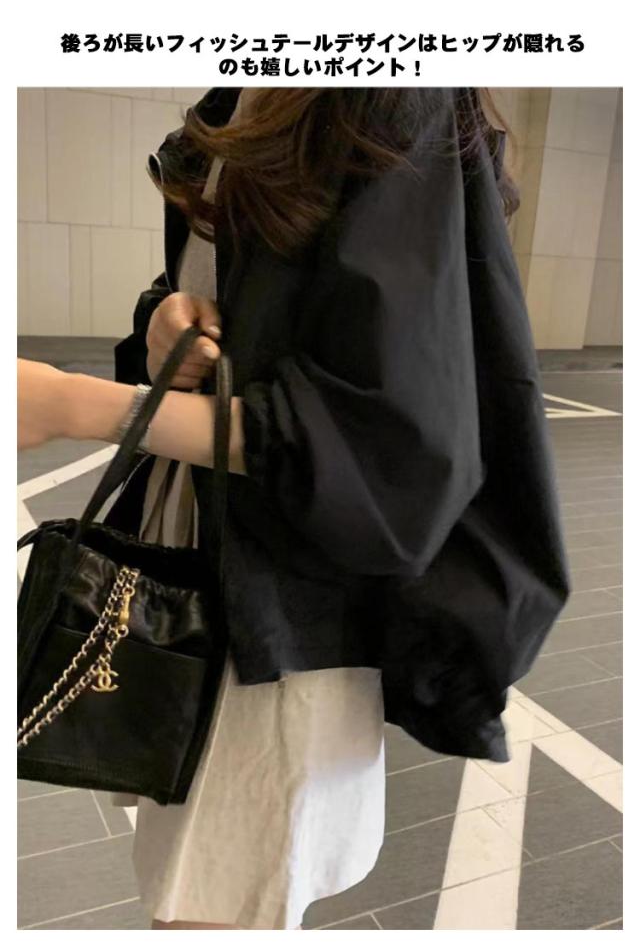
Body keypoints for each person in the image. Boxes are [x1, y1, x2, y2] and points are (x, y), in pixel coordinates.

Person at [17, 87, 571, 930]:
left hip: (276, 612)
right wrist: (166, 321)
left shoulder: (385, 92)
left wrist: (72, 405)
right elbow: (252, 306)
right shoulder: (246, 91)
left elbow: (387, 443)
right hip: (207, 564)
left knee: (211, 909)